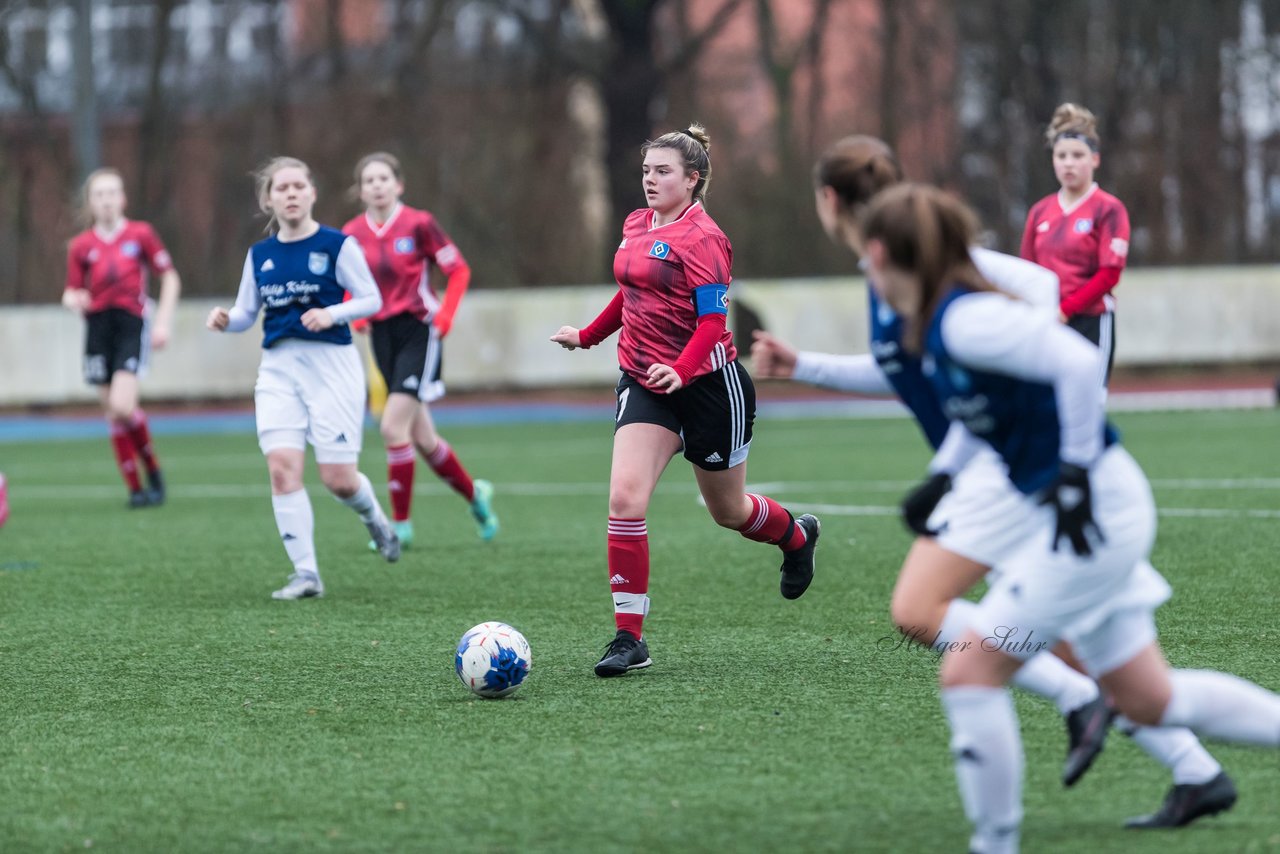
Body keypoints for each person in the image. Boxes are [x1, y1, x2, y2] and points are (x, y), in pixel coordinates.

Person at [750, 134, 1235, 828]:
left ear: (829, 201)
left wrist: (1013, 373)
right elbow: (902, 367)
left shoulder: (922, 254)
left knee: (924, 610)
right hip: (984, 464)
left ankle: (1076, 711)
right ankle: (1193, 767)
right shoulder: (883, 268)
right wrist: (806, 365)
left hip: (1000, 470)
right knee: (1089, 649)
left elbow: (1037, 292)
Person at [859, 183, 1280, 854]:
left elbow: (1080, 363)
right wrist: (943, 476)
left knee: (969, 671)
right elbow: (987, 408)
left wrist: (1077, 470)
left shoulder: (966, 320)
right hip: (1090, 513)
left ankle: (993, 845)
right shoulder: (942, 320)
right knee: (1150, 700)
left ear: (878, 252)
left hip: (1093, 516)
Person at [550, 123, 820, 678]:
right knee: (625, 499)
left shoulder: (704, 239)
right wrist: (589, 335)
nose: (650, 180)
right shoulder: (635, 224)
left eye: (663, 171)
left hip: (710, 390)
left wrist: (682, 368)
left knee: (730, 512)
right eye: (647, 171)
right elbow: (630, 293)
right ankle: (629, 638)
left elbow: (713, 322)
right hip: (646, 384)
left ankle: (796, 535)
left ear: (693, 179)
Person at [206, 156, 400, 600]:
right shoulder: (260, 255)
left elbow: (371, 299)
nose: (291, 194)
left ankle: (375, 520)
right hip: (277, 369)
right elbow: (246, 313)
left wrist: (331, 312)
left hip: (332, 367)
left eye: (298, 186)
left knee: (338, 478)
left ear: (312, 193)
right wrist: (225, 319)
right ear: (268, 199)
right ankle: (306, 574)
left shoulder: (337, 245)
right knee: (281, 470)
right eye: (281, 188)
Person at [342, 152, 498, 550]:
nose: (376, 185)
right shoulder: (352, 233)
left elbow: (458, 269)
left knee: (393, 427)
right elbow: (346, 280)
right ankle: (476, 498)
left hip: (419, 331)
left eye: (383, 178)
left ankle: (399, 527)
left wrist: (445, 316)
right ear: (360, 190)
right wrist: (352, 310)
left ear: (399, 185)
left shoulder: (419, 223)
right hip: (381, 335)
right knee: (424, 439)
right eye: (369, 180)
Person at [63, 169, 181, 508]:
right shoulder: (81, 245)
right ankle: (135, 488)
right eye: (99, 195)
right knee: (112, 414)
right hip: (98, 327)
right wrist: (74, 301)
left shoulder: (140, 234)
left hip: (131, 323)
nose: (107, 200)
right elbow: (71, 291)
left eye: (113, 193)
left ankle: (153, 470)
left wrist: (163, 323)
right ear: (90, 202)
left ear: (123, 198)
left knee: (122, 405)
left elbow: (169, 277)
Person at [1020, 103, 1129, 387]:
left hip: (1090, 320)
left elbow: (1110, 274)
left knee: (1088, 406)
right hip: (1049, 322)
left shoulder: (1109, 209)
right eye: (1061, 155)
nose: (1069, 163)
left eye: (1077, 155)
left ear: (1095, 159)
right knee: (1047, 407)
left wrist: (1066, 309)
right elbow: (1028, 270)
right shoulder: (1040, 212)